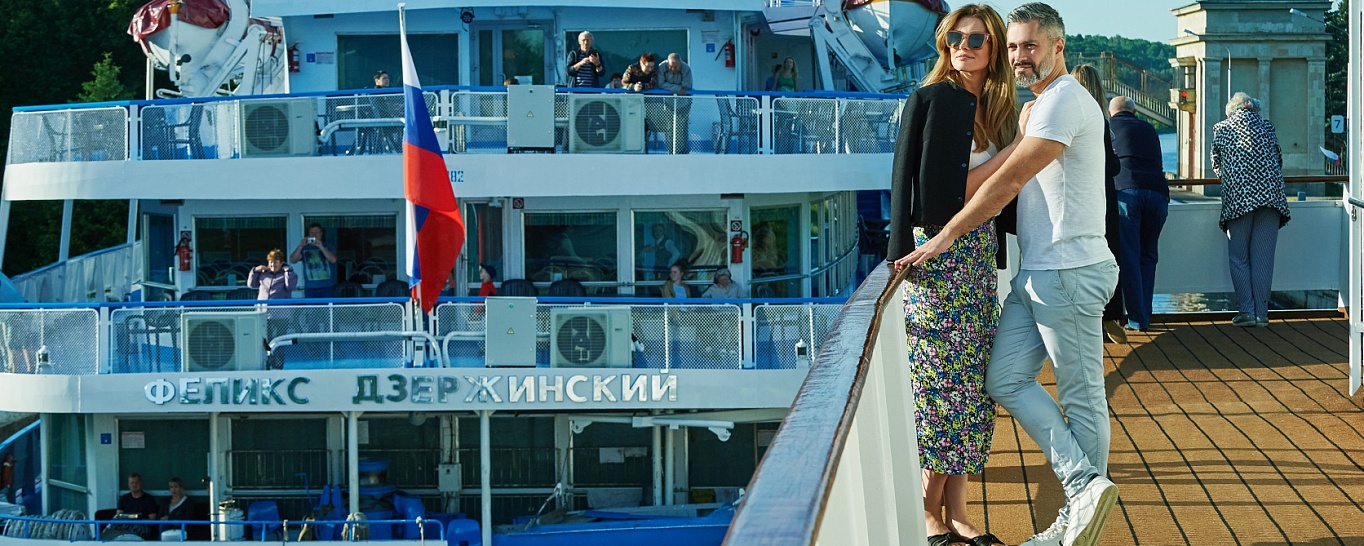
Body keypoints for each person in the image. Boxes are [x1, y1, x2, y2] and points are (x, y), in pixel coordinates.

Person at [901, 4, 1120, 546]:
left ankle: (1080, 508)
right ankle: (1084, 487)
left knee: (1082, 397)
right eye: (1017, 46)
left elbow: (1009, 183)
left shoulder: (1061, 101)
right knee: (1002, 379)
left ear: (1058, 47)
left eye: (1030, 45)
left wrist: (946, 234)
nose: (1022, 55)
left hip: (1068, 271)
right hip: (1038, 272)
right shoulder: (1032, 106)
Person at [886, 4, 1017, 546]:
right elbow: (944, 190)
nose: (963, 46)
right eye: (955, 37)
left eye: (976, 39)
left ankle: (957, 508)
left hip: (977, 256)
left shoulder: (997, 109)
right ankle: (926, 508)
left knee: (972, 383)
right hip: (937, 257)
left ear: (993, 49)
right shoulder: (933, 99)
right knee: (940, 381)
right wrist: (1017, 152)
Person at [1212, 92, 1290, 328]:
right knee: (1263, 258)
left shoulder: (1221, 128)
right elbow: (1278, 160)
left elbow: (1217, 165)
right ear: (1254, 109)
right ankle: (1262, 314)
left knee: (1239, 257)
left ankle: (1247, 311)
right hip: (1271, 198)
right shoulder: (1267, 127)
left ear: (1231, 112)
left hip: (1239, 199)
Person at [1070, 64, 1127, 344]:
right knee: (1108, 256)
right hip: (1102, 199)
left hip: (1075, 199)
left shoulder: (1069, 117)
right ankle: (1110, 314)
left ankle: (1082, 318)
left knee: (1077, 259)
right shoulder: (1099, 120)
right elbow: (1110, 165)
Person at [1108, 95, 1168, 332]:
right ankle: (1145, 313)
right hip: (1157, 193)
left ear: (1111, 113)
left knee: (1129, 257)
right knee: (1148, 256)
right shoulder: (1149, 129)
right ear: (1134, 112)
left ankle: (1137, 318)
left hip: (1126, 193)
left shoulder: (1109, 127)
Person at [657, 53, 694, 154]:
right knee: (670, 127)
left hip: (684, 102)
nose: (673, 69)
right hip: (668, 103)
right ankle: (671, 151)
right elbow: (661, 84)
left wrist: (670, 87)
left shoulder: (686, 69)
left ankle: (684, 152)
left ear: (680, 64)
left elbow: (686, 86)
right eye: (671, 66)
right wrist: (677, 89)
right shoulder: (662, 67)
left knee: (682, 127)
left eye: (676, 67)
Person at [290, 223, 337, 298]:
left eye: (316, 232)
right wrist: (300, 246)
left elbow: (333, 260)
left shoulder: (328, 246)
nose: (314, 235)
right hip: (310, 287)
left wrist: (321, 247)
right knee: (311, 305)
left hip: (327, 286)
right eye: (311, 233)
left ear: (321, 233)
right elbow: (293, 260)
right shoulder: (305, 248)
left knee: (328, 306)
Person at [116, 473, 160, 540]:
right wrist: (135, 516)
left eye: (136, 482)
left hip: (143, 528)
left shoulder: (149, 499)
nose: (134, 485)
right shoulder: (123, 498)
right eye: (132, 483)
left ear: (140, 483)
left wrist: (136, 518)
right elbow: (119, 516)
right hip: (126, 527)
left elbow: (152, 519)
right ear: (128, 484)